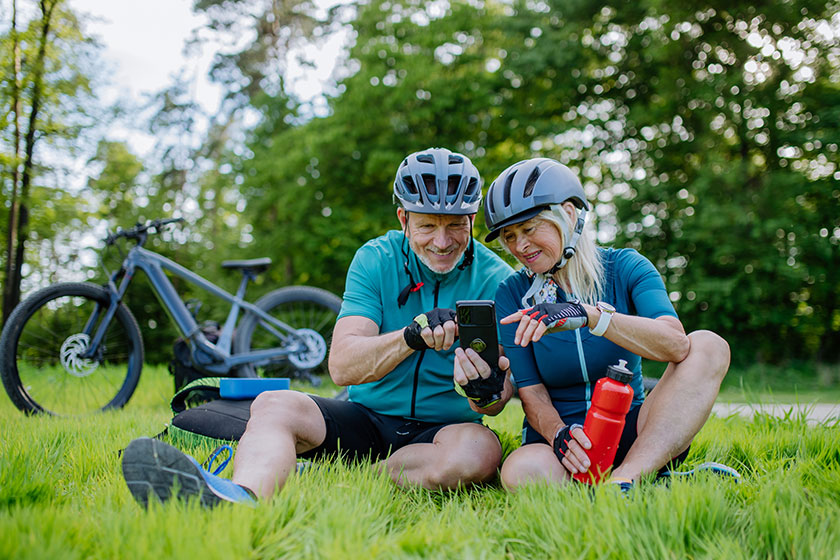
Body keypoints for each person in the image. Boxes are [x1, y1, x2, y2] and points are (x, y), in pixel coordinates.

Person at [121, 147, 515, 507]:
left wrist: (484, 392)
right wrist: (411, 336)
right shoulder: (375, 259)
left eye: (455, 226)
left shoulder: (498, 279)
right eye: (428, 226)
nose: (442, 242)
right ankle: (241, 496)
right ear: (403, 219)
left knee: (479, 453)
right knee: (275, 404)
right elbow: (343, 366)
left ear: (471, 219)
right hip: (364, 418)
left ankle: (336, 475)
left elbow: (497, 403)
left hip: (445, 430)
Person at [483, 157, 736, 492]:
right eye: (510, 236)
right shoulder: (511, 293)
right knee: (520, 473)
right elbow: (531, 393)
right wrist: (559, 436)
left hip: (634, 433)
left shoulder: (626, 267)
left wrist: (593, 317)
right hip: (562, 443)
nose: (520, 246)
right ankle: (650, 483)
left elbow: (676, 344)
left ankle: (626, 479)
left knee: (708, 345)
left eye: (529, 229)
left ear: (568, 214)